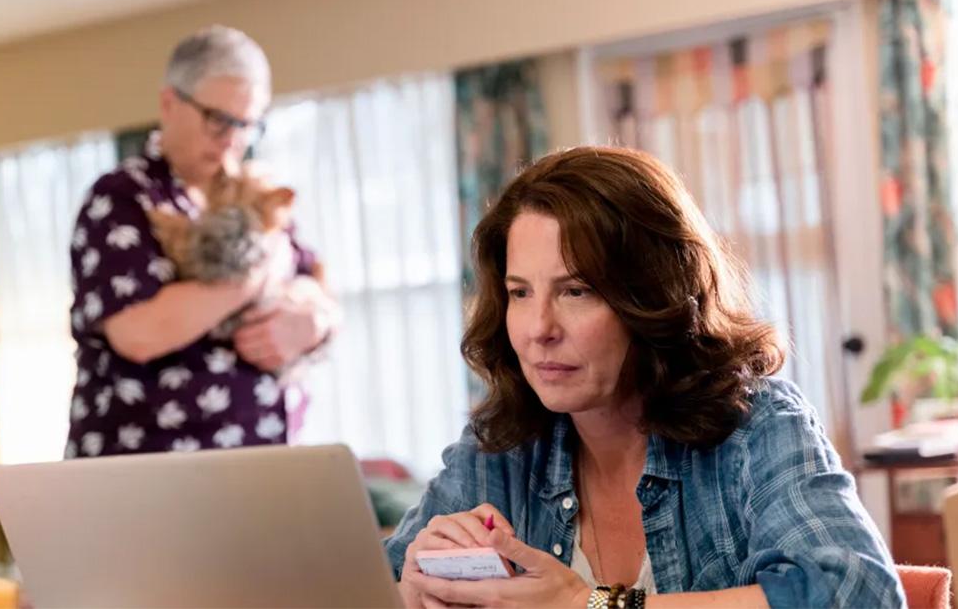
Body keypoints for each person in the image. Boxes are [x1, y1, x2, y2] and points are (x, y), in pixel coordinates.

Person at [384, 147, 904, 608]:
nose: (538, 329)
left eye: (576, 291)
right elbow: (372, 583)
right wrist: (406, 588)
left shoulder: (756, 426)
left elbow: (860, 593)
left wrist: (587, 605)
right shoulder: (500, 449)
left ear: (655, 299)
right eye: (520, 293)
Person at [64, 25, 338, 458]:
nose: (232, 139)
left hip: (265, 463)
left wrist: (313, 322)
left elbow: (317, 283)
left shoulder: (256, 191)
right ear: (169, 103)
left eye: (247, 124)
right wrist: (254, 277)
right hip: (151, 472)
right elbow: (139, 332)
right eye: (218, 119)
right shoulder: (122, 197)